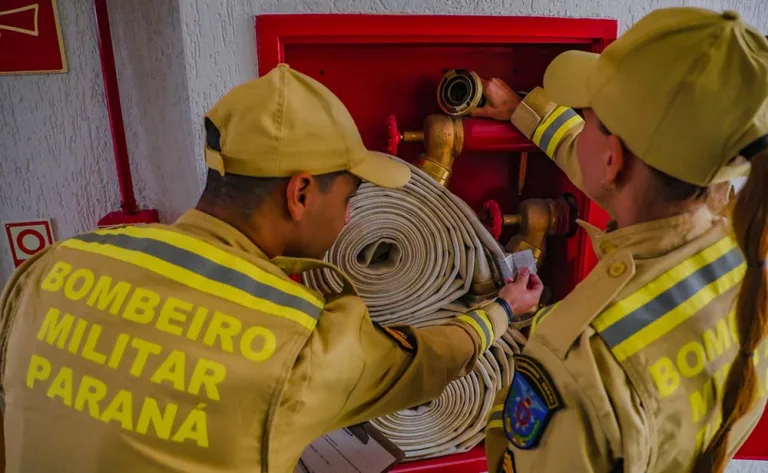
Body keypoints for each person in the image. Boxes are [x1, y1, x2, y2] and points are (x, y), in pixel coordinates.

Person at [0, 64, 543, 473]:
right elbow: (420, 365)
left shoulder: (53, 266)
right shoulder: (303, 340)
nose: (352, 213)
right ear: (301, 192)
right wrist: (500, 310)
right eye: (350, 194)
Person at [472, 7, 768, 473]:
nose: (581, 122)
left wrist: (501, 351)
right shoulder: (748, 256)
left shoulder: (573, 370)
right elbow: (605, 161)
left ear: (612, 160)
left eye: (587, 115)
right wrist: (521, 112)